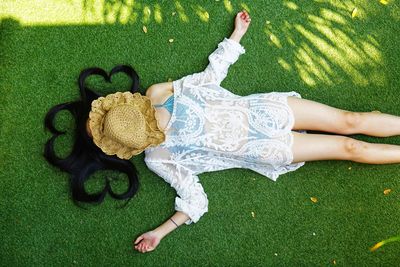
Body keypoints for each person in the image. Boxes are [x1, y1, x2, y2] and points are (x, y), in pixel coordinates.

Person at [44, 10, 400, 254]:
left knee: (351, 120)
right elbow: (194, 197)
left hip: (265, 109)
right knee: (349, 147)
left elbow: (208, 79)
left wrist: (235, 36)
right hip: (267, 147)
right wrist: (161, 231)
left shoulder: (158, 93)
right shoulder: (158, 156)